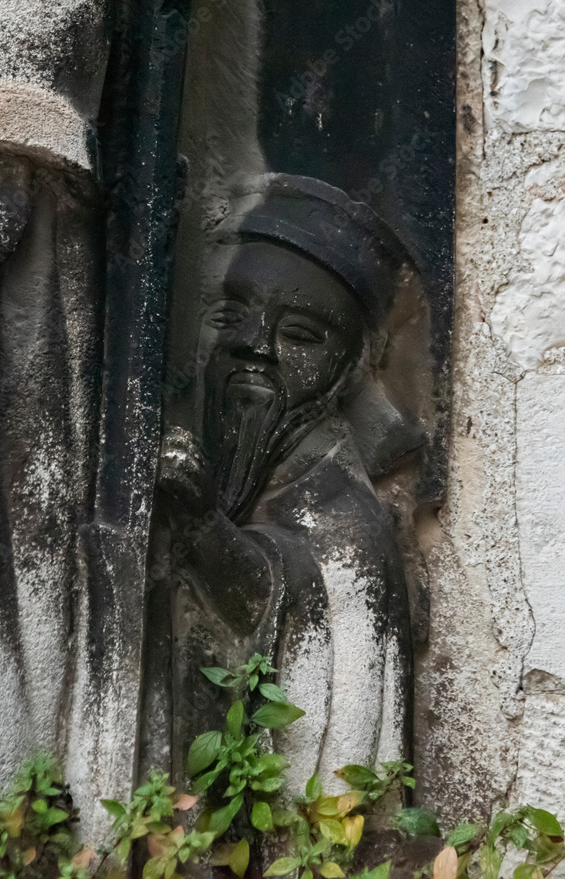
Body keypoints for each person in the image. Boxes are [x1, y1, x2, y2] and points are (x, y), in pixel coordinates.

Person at [155, 174, 416, 790]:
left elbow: (287, 588)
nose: (254, 345)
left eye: (299, 334)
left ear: (351, 367)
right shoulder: (235, 468)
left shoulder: (349, 523)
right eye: (229, 316)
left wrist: (202, 530)